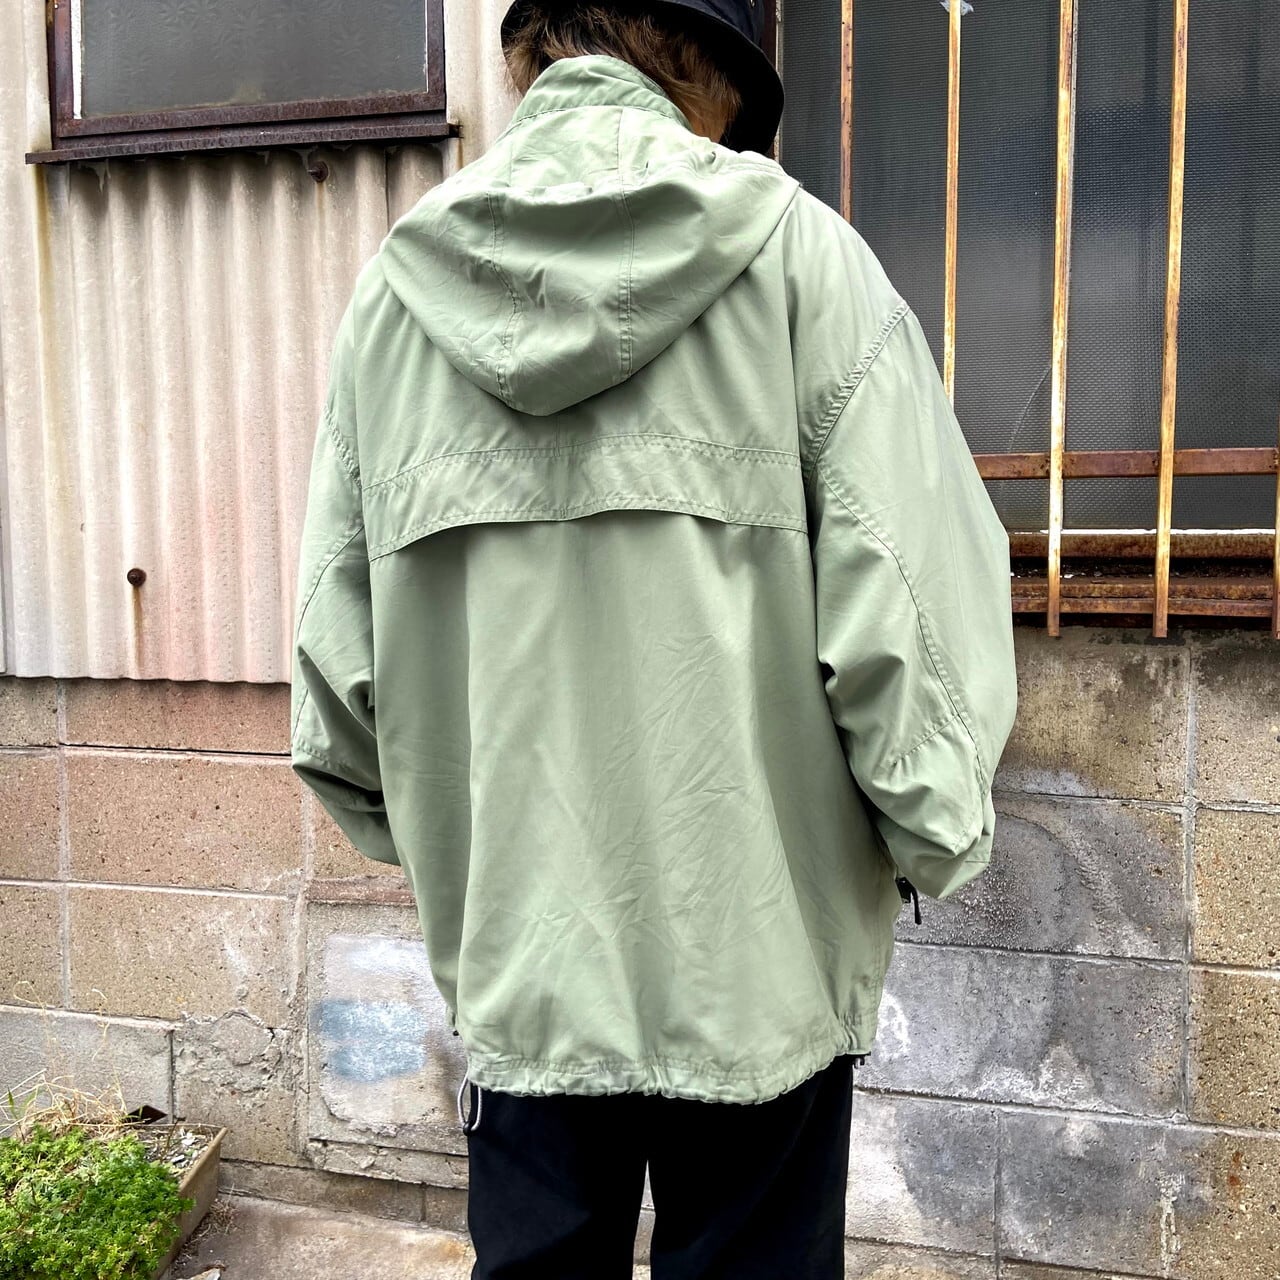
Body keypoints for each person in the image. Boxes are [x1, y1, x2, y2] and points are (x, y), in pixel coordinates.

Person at [289, 1, 1019, 1275]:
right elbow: (915, 617)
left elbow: (337, 691)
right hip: (762, 965)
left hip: (521, 961)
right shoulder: (802, 264)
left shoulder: (395, 301)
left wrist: (465, 849)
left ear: (532, 55)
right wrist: (932, 827)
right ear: (710, 77)